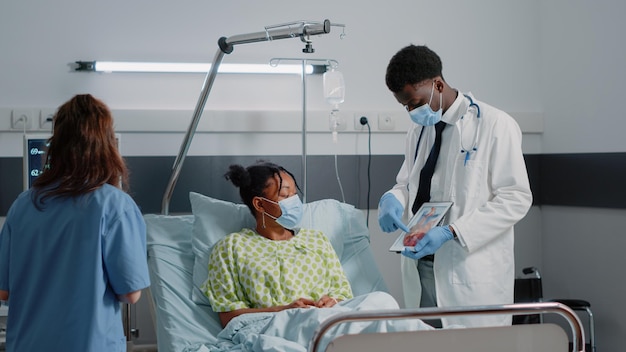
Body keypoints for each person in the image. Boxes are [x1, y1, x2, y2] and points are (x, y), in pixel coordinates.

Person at [378, 45, 533, 328]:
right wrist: (392, 199)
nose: (411, 111)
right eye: (405, 106)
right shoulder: (419, 131)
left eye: (414, 102)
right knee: (426, 342)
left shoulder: (496, 125)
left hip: (467, 268)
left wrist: (452, 232)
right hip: (423, 263)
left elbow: (516, 198)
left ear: (437, 84)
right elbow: (407, 182)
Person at [201, 161, 431, 350]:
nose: (295, 201)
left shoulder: (315, 239)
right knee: (317, 320)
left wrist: (333, 301)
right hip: (278, 322)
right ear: (260, 204)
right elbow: (229, 315)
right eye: (284, 195)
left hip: (331, 316)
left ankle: (435, 341)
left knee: (382, 300)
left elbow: (341, 291)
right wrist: (286, 309)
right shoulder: (232, 247)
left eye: (295, 193)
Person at [0, 94, 151, 351]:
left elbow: (4, 292)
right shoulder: (115, 206)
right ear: (106, 145)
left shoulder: (22, 206)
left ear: (55, 145)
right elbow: (130, 293)